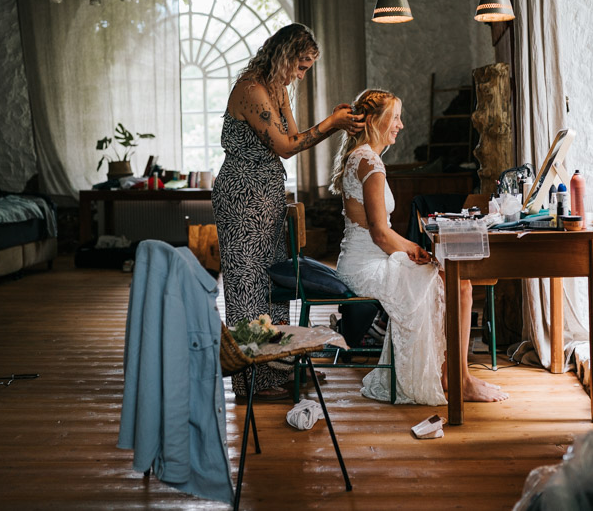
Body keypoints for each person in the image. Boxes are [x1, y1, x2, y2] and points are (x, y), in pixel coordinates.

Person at [212, 23, 364, 400]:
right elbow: (284, 146)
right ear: (284, 56)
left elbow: (295, 138)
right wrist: (333, 123)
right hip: (242, 198)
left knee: (274, 283)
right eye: (300, 66)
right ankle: (252, 382)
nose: (301, 75)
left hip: (267, 198)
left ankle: (279, 370)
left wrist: (332, 122)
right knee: (247, 287)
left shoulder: (278, 89)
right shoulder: (252, 89)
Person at [330, 89, 508, 404]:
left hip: (365, 257)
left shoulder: (363, 157)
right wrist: (414, 248)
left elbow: (380, 234)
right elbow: (380, 235)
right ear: (375, 120)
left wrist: (413, 251)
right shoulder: (369, 162)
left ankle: (453, 373)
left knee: (455, 280)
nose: (400, 124)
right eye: (395, 117)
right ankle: (457, 377)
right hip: (365, 265)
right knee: (459, 284)